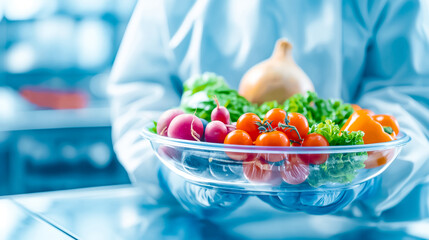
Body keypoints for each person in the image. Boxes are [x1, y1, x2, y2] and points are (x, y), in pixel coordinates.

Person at [108, 0, 429, 236]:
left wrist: (368, 177)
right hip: (196, 225)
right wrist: (170, 176)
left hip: (352, 224)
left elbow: (409, 91)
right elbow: (140, 91)